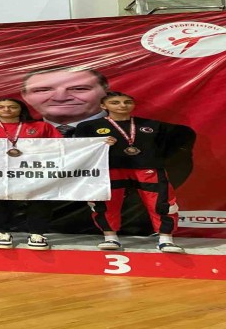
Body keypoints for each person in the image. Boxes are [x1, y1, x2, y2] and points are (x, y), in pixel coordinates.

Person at [75, 92, 194, 254]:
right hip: (109, 167)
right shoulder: (88, 126)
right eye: (115, 102)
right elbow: (78, 148)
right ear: (103, 106)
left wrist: (156, 156)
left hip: (147, 167)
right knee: (105, 202)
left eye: (127, 102)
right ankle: (110, 237)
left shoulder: (151, 125)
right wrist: (96, 142)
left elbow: (182, 136)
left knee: (161, 202)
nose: (122, 105)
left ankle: (166, 239)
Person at [0, 98, 63, 250]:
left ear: (21, 109)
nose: (6, 110)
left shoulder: (41, 126)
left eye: (12, 107)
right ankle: (1, 233)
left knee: (40, 200)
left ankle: (37, 234)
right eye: (1, 107)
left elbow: (62, 146)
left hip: (33, 171)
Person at [21, 66, 109, 136]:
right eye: (43, 90)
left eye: (79, 89)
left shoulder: (118, 127)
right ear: (25, 96)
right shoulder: (19, 132)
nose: (60, 98)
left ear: (106, 91)